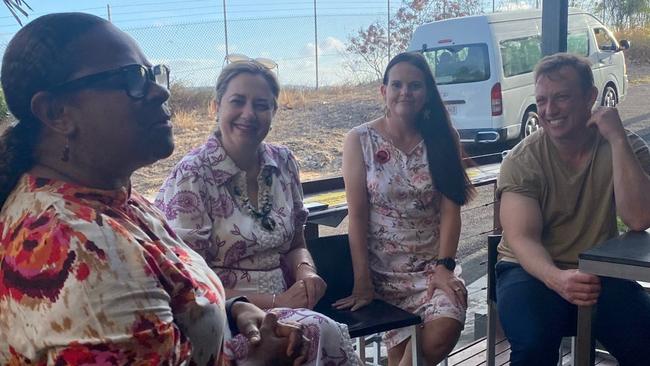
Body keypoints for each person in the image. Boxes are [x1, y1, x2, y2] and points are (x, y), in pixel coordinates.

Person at [0, 12, 348, 366]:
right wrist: (264, 361)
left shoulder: (116, 199)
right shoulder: (79, 252)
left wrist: (233, 310)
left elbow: (177, 298)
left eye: (154, 74)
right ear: (56, 112)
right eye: (131, 78)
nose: (161, 90)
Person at [155, 60, 359, 365]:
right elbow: (188, 282)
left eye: (261, 105)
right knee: (313, 331)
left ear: (273, 113)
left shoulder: (284, 162)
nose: (249, 114)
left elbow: (296, 243)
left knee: (308, 330)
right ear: (216, 107)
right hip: (223, 315)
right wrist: (277, 302)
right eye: (238, 101)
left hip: (289, 304)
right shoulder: (192, 175)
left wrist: (306, 272)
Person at [496, 52, 650, 366]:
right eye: (541, 100)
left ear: (590, 97)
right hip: (529, 271)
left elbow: (639, 218)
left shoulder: (627, 147)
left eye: (562, 97)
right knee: (534, 346)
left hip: (599, 271)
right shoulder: (522, 159)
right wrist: (558, 279)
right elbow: (522, 239)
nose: (549, 110)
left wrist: (617, 138)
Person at [333, 52, 475, 366]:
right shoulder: (359, 140)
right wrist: (362, 281)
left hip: (432, 270)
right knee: (408, 359)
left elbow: (452, 209)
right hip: (382, 275)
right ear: (383, 91)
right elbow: (356, 217)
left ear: (427, 94)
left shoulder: (443, 137)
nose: (405, 92)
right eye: (396, 84)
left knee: (447, 323)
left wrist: (445, 266)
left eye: (415, 85)